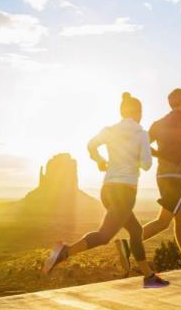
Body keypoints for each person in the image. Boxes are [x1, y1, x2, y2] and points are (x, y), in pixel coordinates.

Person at [42, 92, 169, 288]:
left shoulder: (109, 130)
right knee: (104, 236)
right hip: (125, 192)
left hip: (107, 190)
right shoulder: (141, 134)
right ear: (138, 112)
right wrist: (141, 154)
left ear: (121, 112)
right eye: (141, 111)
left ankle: (149, 276)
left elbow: (91, 145)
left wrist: (101, 161)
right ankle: (65, 252)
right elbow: (146, 165)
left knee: (135, 230)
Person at [116, 88, 181, 277]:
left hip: (162, 176)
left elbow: (143, 144)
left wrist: (159, 154)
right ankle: (128, 245)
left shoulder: (158, 124)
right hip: (179, 177)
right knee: (164, 221)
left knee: (179, 218)